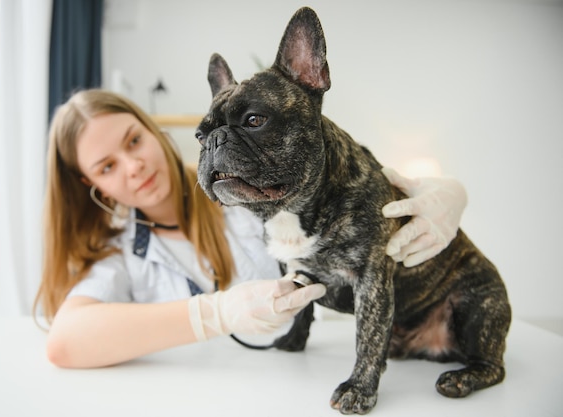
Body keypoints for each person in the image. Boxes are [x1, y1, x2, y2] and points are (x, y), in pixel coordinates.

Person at [34, 89, 468, 369]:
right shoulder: (117, 253)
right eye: (107, 166)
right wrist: (214, 315)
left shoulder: (258, 189)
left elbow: (357, 180)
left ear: (153, 129)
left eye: (133, 141)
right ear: (91, 184)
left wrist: (447, 190)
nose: (134, 167)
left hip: (322, 368)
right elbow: (66, 342)